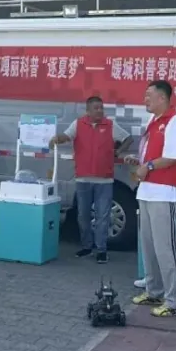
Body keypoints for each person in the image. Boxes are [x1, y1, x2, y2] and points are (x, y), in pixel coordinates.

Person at [127, 80, 176, 318]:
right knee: (149, 246)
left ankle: (175, 302)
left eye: (148, 95)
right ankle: (154, 291)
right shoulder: (153, 121)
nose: (145, 99)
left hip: (165, 192)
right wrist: (140, 162)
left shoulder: (175, 122)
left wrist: (149, 166)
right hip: (146, 191)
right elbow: (153, 156)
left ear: (163, 98)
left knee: (167, 248)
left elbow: (173, 157)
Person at [51, 96, 131, 264]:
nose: (100, 111)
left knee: (103, 216)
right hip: (83, 179)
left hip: (104, 180)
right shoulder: (78, 124)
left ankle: (101, 250)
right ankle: (87, 246)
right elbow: (66, 136)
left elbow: (128, 139)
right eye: (96, 108)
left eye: (101, 108)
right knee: (83, 215)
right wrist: (57, 138)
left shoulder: (110, 125)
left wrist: (117, 152)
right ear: (88, 110)